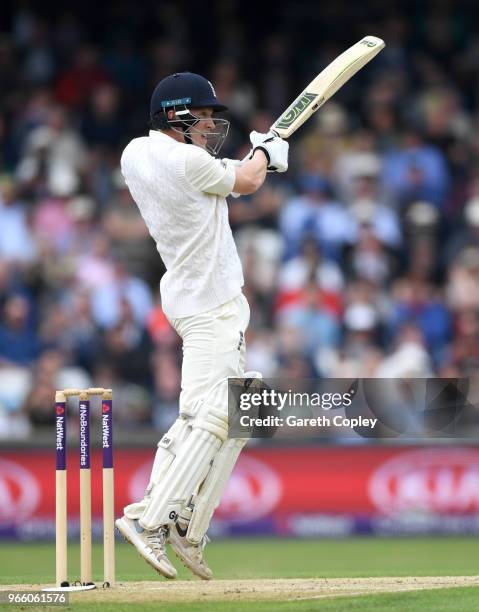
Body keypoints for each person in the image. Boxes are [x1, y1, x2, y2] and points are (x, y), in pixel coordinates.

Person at [115, 72, 288, 580]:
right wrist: (268, 154)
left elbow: (223, 174)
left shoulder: (135, 155)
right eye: (205, 114)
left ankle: (189, 529)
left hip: (190, 298)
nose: (212, 123)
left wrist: (259, 155)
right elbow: (249, 181)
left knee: (235, 411)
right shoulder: (189, 162)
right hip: (211, 303)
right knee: (212, 416)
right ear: (177, 114)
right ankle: (148, 518)